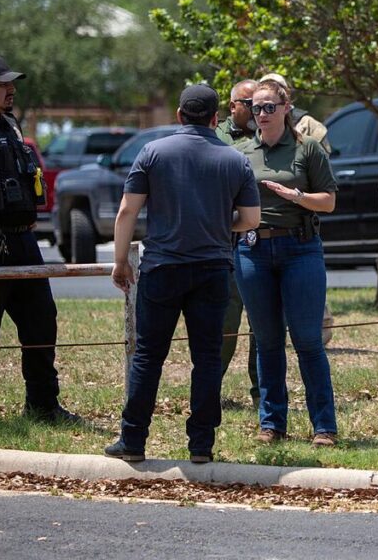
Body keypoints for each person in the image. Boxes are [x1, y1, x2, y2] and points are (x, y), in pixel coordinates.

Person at [104, 84, 260, 463]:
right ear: (215, 119)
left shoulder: (153, 152)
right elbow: (251, 219)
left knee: (148, 356)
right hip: (212, 268)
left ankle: (133, 439)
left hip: (162, 267)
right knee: (206, 357)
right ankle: (201, 444)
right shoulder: (234, 160)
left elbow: (127, 211)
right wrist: (222, 226)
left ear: (178, 115)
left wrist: (121, 259)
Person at [0, 55, 80, 424]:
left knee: (42, 321)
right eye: (2, 85)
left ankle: (44, 405)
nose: (11, 90)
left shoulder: (10, 125)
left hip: (22, 243)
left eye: (12, 84)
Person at [234, 79, 339, 447]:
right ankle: (272, 423)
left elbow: (328, 202)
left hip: (300, 249)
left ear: (285, 107)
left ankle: (324, 426)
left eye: (268, 107)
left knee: (308, 340)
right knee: (267, 341)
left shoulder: (307, 149)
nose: (261, 114)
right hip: (253, 250)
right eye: (255, 107)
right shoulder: (242, 152)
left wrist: (297, 196)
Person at [216, 79, 261, 406]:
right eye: (251, 102)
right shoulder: (219, 137)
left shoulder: (270, 133)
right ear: (233, 106)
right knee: (225, 324)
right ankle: (209, 388)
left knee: (263, 326)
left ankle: (263, 392)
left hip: (263, 242)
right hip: (230, 241)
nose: (258, 109)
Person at [258, 73, 331, 153]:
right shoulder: (256, 125)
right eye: (264, 89)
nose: (270, 93)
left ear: (287, 93)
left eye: (277, 90)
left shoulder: (309, 124)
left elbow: (323, 160)